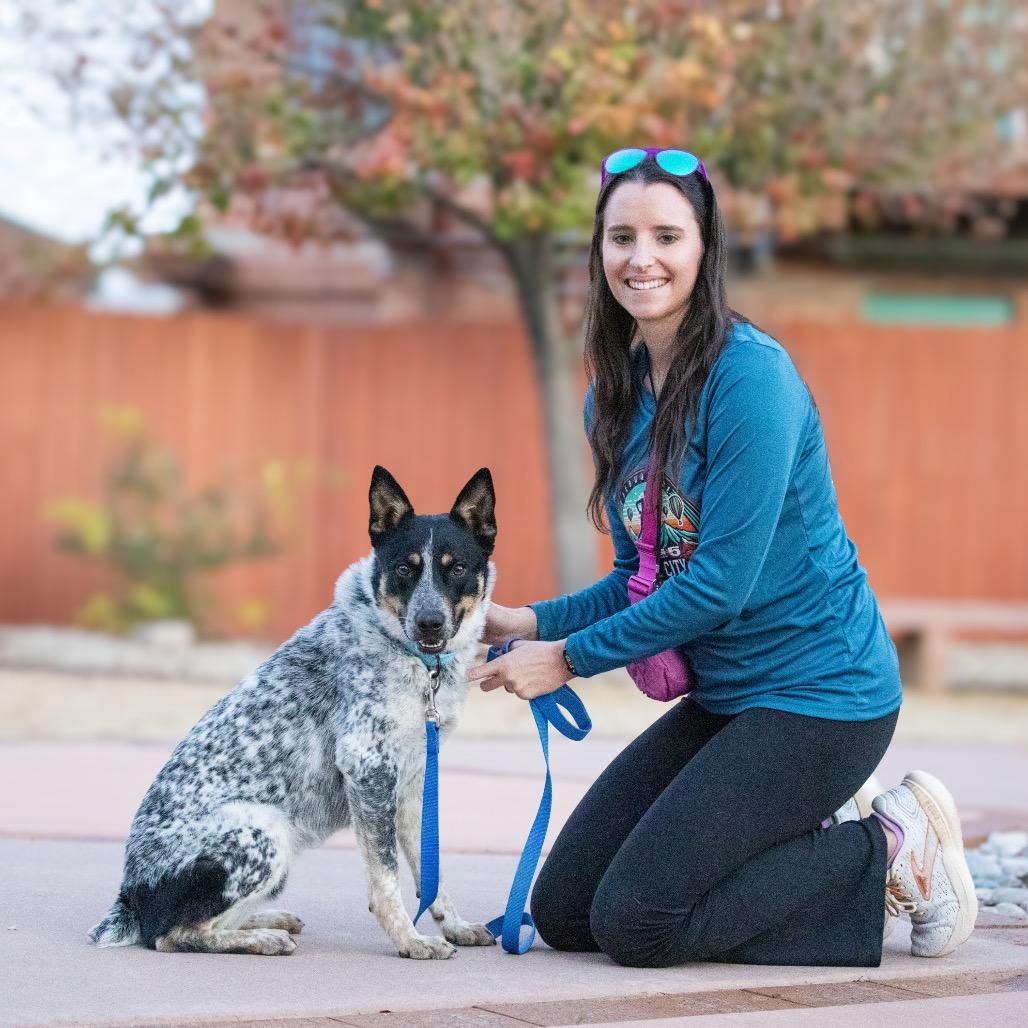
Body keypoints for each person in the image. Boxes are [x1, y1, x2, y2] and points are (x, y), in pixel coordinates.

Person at [465, 147, 977, 968]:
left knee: (638, 923)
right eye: (621, 237)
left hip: (824, 697)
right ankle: (778, 836)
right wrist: (526, 620)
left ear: (704, 250)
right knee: (567, 912)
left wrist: (565, 658)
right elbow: (646, 574)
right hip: (729, 699)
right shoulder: (616, 393)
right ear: (598, 252)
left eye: (667, 236)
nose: (643, 259)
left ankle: (886, 847)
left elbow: (718, 587)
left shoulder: (751, 380)